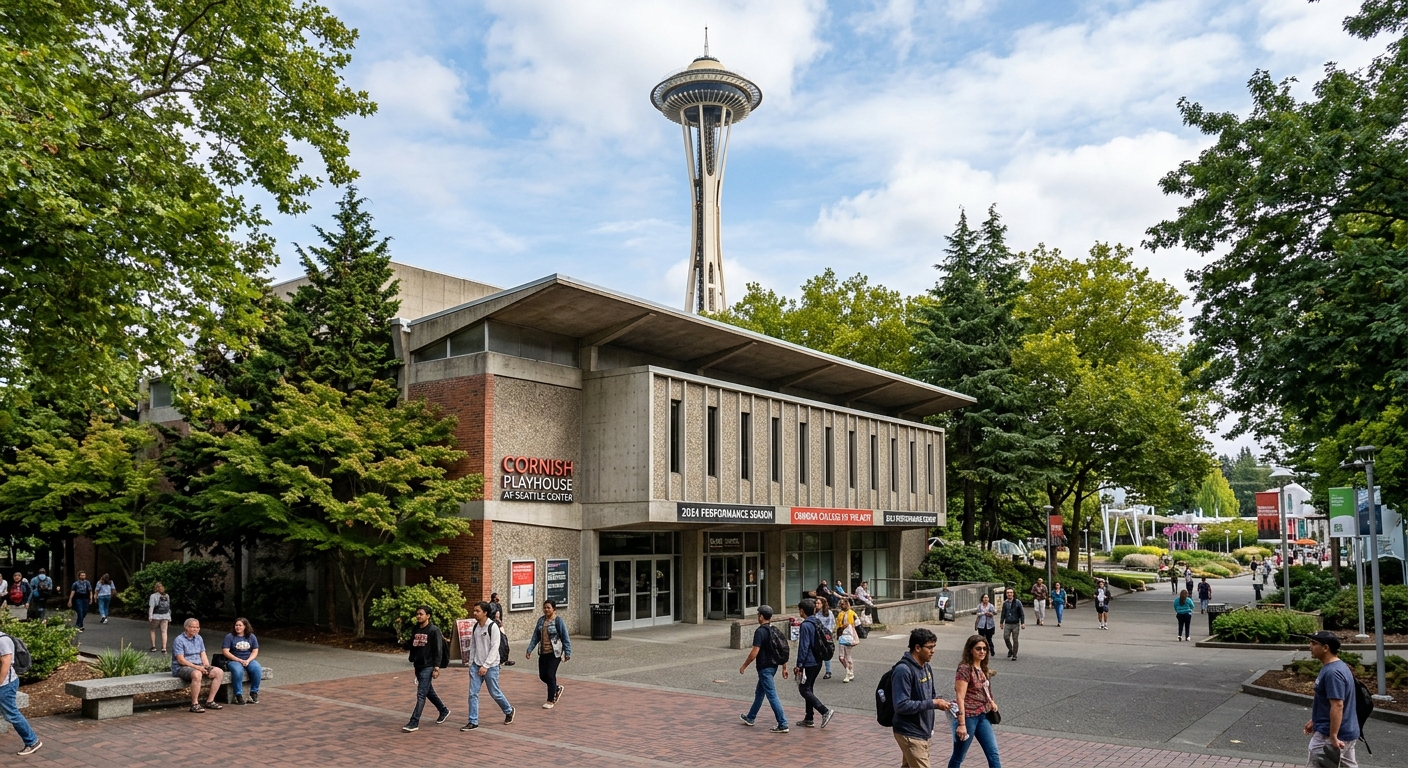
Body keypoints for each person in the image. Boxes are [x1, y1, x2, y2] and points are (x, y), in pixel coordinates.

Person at [1296, 630, 1359, 767]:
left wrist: (1333, 736)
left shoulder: (1332, 672)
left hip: (1329, 736)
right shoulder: (1337, 666)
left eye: (1314, 643)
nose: (1310, 646)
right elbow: (1329, 701)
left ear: (1326, 648)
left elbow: (1338, 705)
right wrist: (1316, 719)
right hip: (1346, 731)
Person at [890, 627, 952, 768]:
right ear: (917, 648)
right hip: (910, 733)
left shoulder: (925, 667)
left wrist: (943, 702)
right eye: (929, 647)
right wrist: (933, 703)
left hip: (923, 731)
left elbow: (930, 696)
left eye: (934, 647)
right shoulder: (903, 671)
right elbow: (901, 705)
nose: (933, 651)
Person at [951, 633, 1002, 768]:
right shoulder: (964, 669)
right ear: (970, 650)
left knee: (993, 754)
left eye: (985, 648)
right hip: (968, 717)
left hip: (983, 716)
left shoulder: (982, 668)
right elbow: (960, 697)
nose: (982, 651)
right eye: (978, 648)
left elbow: (984, 690)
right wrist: (961, 724)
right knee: (958, 757)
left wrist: (991, 701)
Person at [738, 604, 789, 733]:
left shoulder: (760, 631)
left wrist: (744, 665)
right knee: (760, 693)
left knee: (771, 694)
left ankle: (783, 723)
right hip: (773, 666)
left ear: (761, 616)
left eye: (758, 614)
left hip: (764, 667)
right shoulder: (773, 629)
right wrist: (784, 666)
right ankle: (750, 717)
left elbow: (755, 652)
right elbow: (782, 648)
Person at [464, 601, 514, 730]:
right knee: (472, 694)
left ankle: (508, 710)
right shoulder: (476, 627)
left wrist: (486, 665)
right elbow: (473, 646)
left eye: (477, 611)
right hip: (476, 664)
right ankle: (473, 721)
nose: (474, 613)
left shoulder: (493, 627)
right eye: (474, 611)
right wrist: (471, 664)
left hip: (491, 666)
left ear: (485, 613)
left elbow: (494, 647)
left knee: (494, 693)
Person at [399, 606, 450, 732]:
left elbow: (438, 649)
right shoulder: (416, 629)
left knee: (421, 693)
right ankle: (443, 710)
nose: (418, 616)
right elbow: (412, 645)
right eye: (417, 614)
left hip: (429, 665)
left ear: (428, 616)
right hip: (418, 664)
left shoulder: (434, 630)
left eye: (421, 614)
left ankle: (414, 721)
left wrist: (437, 667)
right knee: (428, 691)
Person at [0, 627, 41, 756]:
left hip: (5, 685)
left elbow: (6, 663)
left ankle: (32, 741)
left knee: (11, 714)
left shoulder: (2, 640)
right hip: (4, 684)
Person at [793, 598, 833, 728]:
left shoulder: (805, 625)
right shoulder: (816, 621)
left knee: (804, 689)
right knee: (809, 688)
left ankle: (824, 711)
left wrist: (799, 664)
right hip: (818, 660)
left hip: (809, 662)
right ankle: (809, 717)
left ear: (802, 611)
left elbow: (804, 646)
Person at [524, 598, 570, 710]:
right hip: (543, 652)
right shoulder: (541, 621)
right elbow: (535, 636)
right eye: (545, 607)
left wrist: (567, 652)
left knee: (550, 674)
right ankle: (556, 688)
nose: (546, 610)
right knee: (542, 675)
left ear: (554, 609)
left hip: (555, 653)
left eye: (548, 608)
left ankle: (550, 700)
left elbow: (565, 637)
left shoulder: (558, 621)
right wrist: (529, 650)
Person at [172, 618, 224, 713]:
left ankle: (210, 701)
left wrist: (206, 666)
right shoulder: (179, 640)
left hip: (199, 665)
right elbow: (181, 660)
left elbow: (202, 653)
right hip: (182, 667)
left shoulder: (199, 638)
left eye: (197, 627)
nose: (196, 629)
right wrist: (197, 668)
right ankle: (194, 704)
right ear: (186, 627)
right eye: (193, 627)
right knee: (197, 674)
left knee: (219, 672)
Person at [221, 618, 262, 705]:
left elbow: (255, 650)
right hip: (234, 660)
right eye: (236, 625)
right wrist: (238, 660)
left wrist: (248, 660)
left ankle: (254, 692)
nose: (238, 627)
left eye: (240, 625)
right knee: (238, 671)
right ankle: (238, 695)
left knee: (257, 668)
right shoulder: (230, 636)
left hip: (248, 659)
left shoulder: (251, 636)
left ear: (245, 626)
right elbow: (225, 651)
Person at [835, 597, 859, 683]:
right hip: (842, 636)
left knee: (847, 655)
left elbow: (858, 622)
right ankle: (849, 671)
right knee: (841, 657)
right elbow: (838, 624)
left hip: (849, 635)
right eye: (841, 604)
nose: (841, 605)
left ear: (847, 604)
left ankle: (849, 673)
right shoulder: (840, 614)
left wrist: (850, 625)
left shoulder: (852, 613)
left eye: (843, 604)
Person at [487, 592, 514, 666]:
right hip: (495, 626)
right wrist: (497, 621)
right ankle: (500, 660)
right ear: (494, 598)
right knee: (500, 642)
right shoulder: (491, 605)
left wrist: (500, 622)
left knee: (504, 642)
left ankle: (503, 659)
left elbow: (500, 616)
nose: (499, 598)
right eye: (497, 597)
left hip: (498, 625)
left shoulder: (498, 605)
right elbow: (492, 617)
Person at [1000, 588, 1024, 660]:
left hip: (1015, 623)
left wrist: (1023, 622)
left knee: (1015, 639)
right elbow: (1003, 613)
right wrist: (1001, 622)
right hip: (1007, 623)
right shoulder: (1005, 603)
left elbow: (1021, 613)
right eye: (1008, 593)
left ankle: (1014, 654)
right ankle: (1010, 649)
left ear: (1013, 594)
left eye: (1011, 592)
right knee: (1006, 637)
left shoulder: (1018, 602)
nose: (1009, 594)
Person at [148, 582, 172, 653]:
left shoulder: (153, 596)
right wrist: (169, 616)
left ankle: (153, 646)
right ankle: (164, 648)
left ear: (155, 589)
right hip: (165, 616)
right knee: (164, 631)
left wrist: (150, 616)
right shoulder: (167, 596)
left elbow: (151, 606)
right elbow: (168, 607)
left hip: (156, 616)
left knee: (152, 630)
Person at [817, 599, 836, 679]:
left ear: (823, 604)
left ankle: (828, 671)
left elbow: (831, 625)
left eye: (818, 603)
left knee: (825, 653)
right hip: (817, 636)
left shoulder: (829, 613)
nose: (816, 605)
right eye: (816, 603)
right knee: (816, 654)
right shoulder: (815, 613)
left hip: (825, 636)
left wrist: (825, 634)